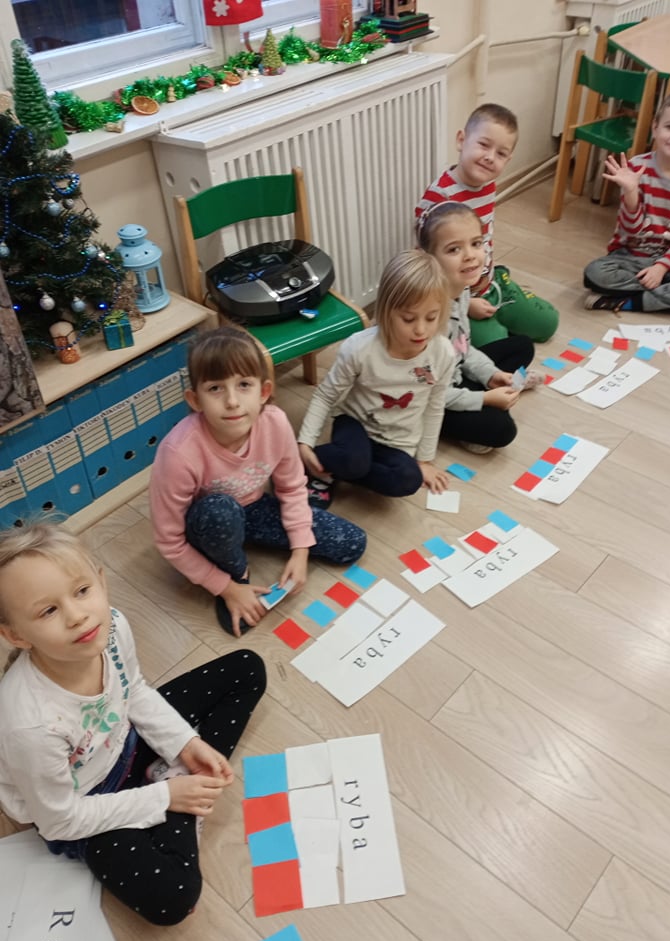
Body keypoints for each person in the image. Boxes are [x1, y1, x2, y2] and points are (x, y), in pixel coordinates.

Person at [0, 522, 266, 925]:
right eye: (48, 611)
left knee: (247, 667)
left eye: (82, 590)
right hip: (86, 802)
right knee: (174, 898)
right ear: (17, 635)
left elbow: (133, 690)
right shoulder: (30, 726)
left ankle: (178, 778)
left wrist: (185, 744)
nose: (77, 616)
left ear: (101, 581)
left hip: (125, 741)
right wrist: (166, 797)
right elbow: (60, 820)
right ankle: (178, 791)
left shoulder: (110, 626)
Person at [149, 327, 366, 639]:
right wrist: (226, 587)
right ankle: (236, 570)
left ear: (263, 392)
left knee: (352, 543)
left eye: (244, 385)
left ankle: (248, 541)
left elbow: (292, 486)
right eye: (215, 388)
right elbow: (170, 541)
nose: (232, 401)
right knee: (220, 511)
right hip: (208, 524)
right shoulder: (178, 453)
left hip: (254, 508)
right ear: (195, 400)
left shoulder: (275, 422)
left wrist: (300, 550)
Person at [298, 249, 455, 498]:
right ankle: (304, 463)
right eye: (408, 319)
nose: (420, 330)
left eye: (431, 318)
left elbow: (435, 407)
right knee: (353, 461)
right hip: (355, 424)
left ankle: (335, 471)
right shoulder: (359, 348)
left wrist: (425, 460)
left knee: (409, 480)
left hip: (399, 441)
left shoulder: (443, 353)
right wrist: (305, 443)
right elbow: (325, 396)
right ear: (386, 311)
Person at [416, 102, 559, 349]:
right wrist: (463, 303)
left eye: (501, 154)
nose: (490, 158)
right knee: (497, 349)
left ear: (508, 159)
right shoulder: (440, 197)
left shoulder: (488, 185)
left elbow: (485, 238)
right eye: (483, 145)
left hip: (489, 283)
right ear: (461, 140)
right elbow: (426, 265)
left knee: (548, 322)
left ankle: (499, 289)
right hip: (455, 297)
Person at [584, 88, 670, 315]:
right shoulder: (636, 168)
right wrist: (630, 192)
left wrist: (662, 267)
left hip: (668, 263)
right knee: (594, 273)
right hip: (627, 258)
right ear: (655, 128)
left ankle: (628, 302)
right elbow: (630, 231)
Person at [417, 201, 536, 453]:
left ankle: (489, 392)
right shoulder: (426, 319)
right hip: (430, 397)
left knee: (523, 345)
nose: (470, 255)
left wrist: (490, 374)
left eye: (476, 243)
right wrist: (483, 398)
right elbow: (429, 390)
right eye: (454, 249)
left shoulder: (460, 289)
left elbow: (463, 348)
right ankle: (460, 421)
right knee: (503, 430)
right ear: (429, 258)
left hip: (454, 373)